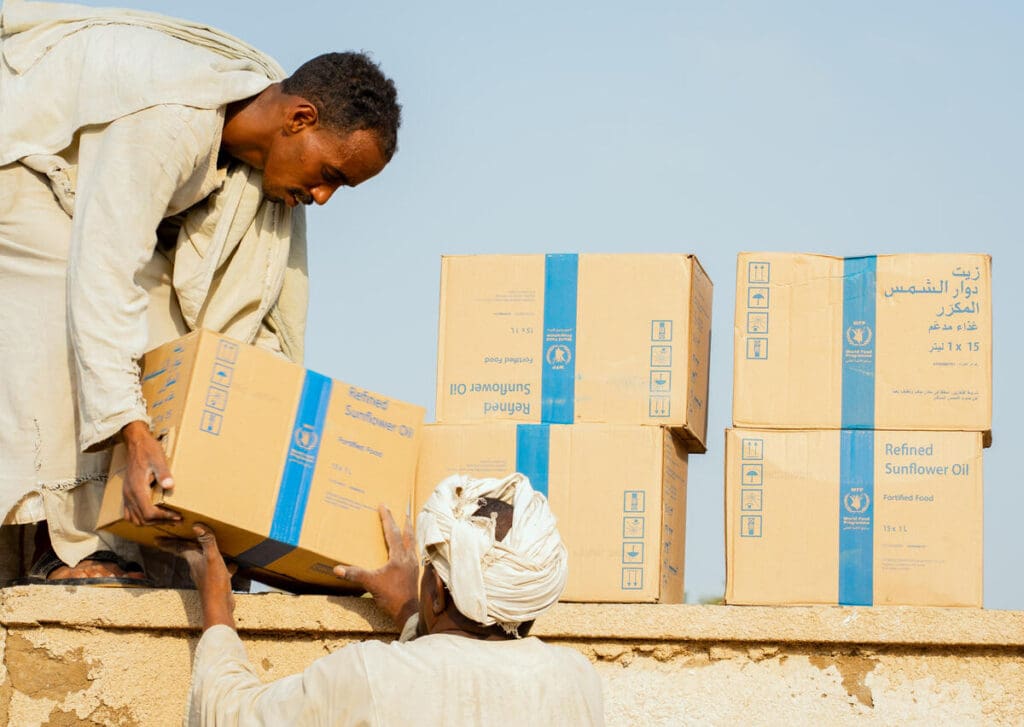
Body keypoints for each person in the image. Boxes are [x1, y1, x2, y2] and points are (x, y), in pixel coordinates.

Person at [0, 1, 401, 585]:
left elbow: (256, 319)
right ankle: (68, 545)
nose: (323, 198)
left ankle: (168, 541)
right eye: (331, 174)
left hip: (86, 200)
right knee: (71, 300)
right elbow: (103, 274)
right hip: (20, 168)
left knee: (172, 340)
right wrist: (132, 433)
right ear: (300, 118)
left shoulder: (264, 154)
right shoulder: (169, 121)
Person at [166, 473, 605, 726]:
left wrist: (217, 607)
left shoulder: (367, 674)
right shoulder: (576, 681)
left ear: (436, 593)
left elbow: (230, 715)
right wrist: (412, 612)